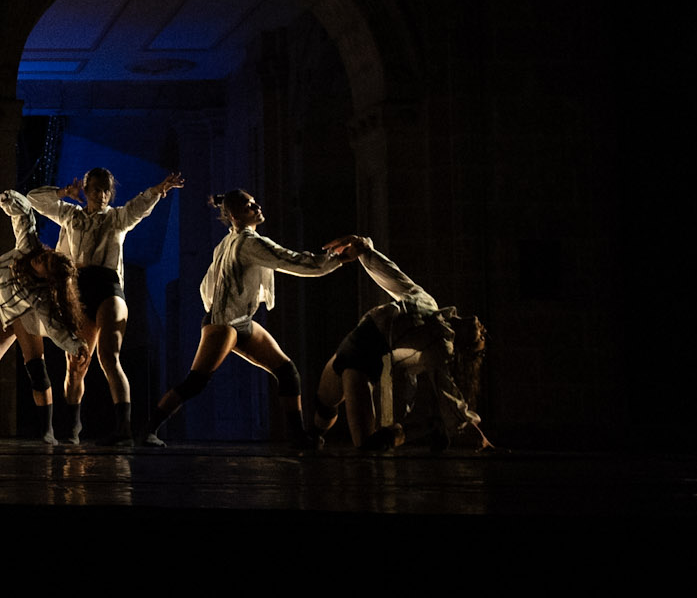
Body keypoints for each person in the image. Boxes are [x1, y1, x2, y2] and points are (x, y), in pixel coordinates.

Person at [136, 189, 345, 452]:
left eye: (254, 203)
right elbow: (291, 260)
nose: (257, 207)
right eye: (249, 206)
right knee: (195, 382)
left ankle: (298, 437)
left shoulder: (229, 242)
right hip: (224, 325)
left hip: (241, 321)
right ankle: (148, 430)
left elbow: (209, 284)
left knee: (287, 371)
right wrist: (336, 259)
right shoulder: (248, 243)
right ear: (235, 216)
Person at [28, 168, 186, 444]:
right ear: (86, 190)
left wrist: (159, 190)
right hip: (78, 290)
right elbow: (34, 199)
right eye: (95, 189)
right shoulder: (70, 215)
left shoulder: (116, 218)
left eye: (105, 190)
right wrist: (64, 192)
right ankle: (73, 429)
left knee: (109, 357)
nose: (100, 195)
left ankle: (124, 428)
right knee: (76, 364)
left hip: (108, 286)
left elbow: (139, 207)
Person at [311, 235, 495, 452]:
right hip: (348, 346)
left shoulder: (441, 348)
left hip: (361, 363)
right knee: (325, 405)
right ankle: (311, 439)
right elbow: (392, 275)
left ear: (464, 346)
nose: (483, 330)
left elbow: (448, 394)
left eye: (480, 338)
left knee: (367, 446)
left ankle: (425, 428)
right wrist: (364, 250)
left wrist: (476, 434)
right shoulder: (427, 301)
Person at [0, 191, 89, 443]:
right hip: (1, 308)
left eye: (46, 263)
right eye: (46, 255)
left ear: (47, 278)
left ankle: (47, 430)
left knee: (36, 368)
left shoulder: (40, 296)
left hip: (24, 316)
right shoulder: (29, 248)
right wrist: (1, 199)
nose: (42, 257)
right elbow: (24, 214)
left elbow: (54, 327)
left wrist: (76, 345)